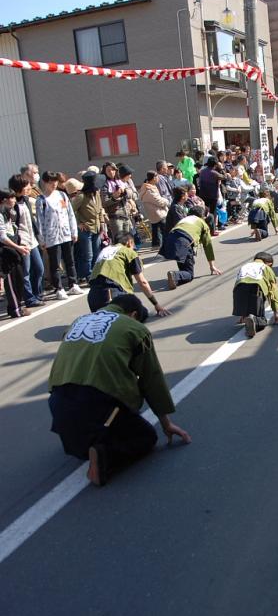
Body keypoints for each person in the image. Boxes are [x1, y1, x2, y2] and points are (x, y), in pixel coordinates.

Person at [48, 293, 191, 486]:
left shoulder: (78, 322)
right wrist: (165, 423)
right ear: (133, 314)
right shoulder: (135, 329)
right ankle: (105, 457)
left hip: (58, 404)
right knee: (145, 438)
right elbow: (151, 379)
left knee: (83, 444)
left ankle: (86, 440)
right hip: (98, 403)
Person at [88, 233, 170, 316]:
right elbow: (142, 282)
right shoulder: (129, 252)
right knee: (142, 312)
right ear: (129, 242)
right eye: (133, 245)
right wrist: (156, 304)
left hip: (93, 296)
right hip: (115, 295)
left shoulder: (105, 250)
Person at [35, 171, 83, 300]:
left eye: (55, 182)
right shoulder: (41, 200)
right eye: (51, 183)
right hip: (51, 235)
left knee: (69, 260)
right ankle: (59, 288)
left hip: (66, 233)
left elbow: (70, 214)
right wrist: (42, 239)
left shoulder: (62, 195)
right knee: (55, 263)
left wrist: (74, 231)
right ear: (45, 183)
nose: (54, 185)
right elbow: (39, 221)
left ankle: (73, 283)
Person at [8, 174, 45, 307]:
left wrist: (38, 235)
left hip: (32, 239)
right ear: (19, 187)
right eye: (26, 185)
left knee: (39, 268)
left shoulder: (26, 199)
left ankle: (37, 294)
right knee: (26, 272)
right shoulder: (12, 203)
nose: (29, 187)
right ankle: (29, 299)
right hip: (22, 241)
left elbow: (31, 219)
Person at [163, 207, 222, 289]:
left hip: (170, 240)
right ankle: (174, 275)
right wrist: (212, 266)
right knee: (189, 275)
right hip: (184, 241)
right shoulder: (202, 223)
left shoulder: (185, 219)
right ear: (202, 216)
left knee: (184, 268)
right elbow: (208, 246)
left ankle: (175, 278)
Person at [233, 251, 278, 338]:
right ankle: (255, 322)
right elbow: (274, 291)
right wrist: (276, 314)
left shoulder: (244, 266)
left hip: (238, 291)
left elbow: (238, 287)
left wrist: (242, 314)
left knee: (246, 301)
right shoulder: (265, 268)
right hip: (256, 289)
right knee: (261, 320)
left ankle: (246, 318)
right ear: (269, 263)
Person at [71, 171, 107, 283]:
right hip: (86, 229)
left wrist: (102, 222)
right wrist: (78, 223)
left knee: (96, 253)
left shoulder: (96, 193)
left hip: (97, 227)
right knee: (88, 255)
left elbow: (100, 209)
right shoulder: (81, 196)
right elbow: (71, 211)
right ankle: (88, 275)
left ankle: (95, 273)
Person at [0, 189, 30, 318]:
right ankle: (15, 309)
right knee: (11, 281)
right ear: (3, 200)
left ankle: (18, 305)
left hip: (13, 249)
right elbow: (2, 237)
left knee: (18, 279)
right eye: (10, 198)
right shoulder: (0, 214)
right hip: (5, 250)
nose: (13, 200)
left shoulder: (9, 212)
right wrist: (18, 247)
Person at [100, 162, 134, 241]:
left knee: (129, 240)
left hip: (126, 215)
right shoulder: (105, 184)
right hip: (115, 217)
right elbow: (104, 203)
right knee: (119, 241)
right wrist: (114, 197)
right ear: (105, 172)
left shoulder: (121, 181)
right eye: (108, 171)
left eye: (113, 170)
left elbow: (132, 194)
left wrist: (125, 192)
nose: (111, 172)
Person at [139, 170, 170, 248]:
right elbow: (158, 201)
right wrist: (167, 201)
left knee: (156, 230)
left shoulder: (149, 187)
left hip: (154, 212)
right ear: (153, 178)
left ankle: (156, 245)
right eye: (157, 177)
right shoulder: (148, 190)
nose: (158, 178)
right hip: (158, 212)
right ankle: (167, 245)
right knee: (164, 230)